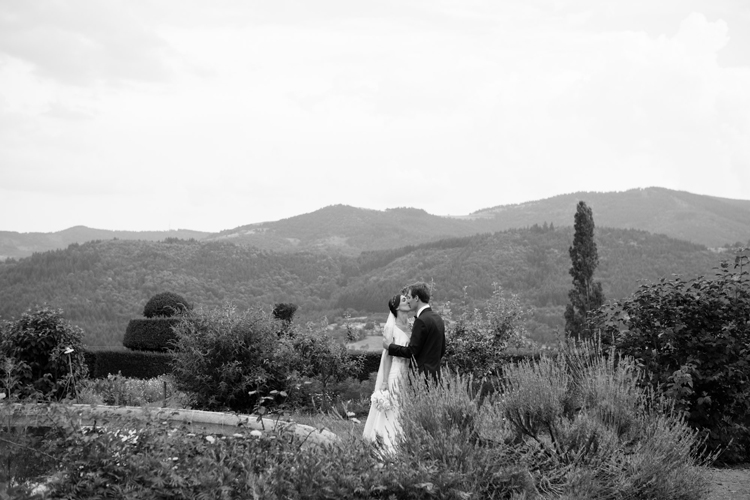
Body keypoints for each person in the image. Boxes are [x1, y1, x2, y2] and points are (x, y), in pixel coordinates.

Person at [362, 293, 412, 450]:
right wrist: (384, 381)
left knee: (403, 406)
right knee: (393, 406)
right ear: (396, 307)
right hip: (395, 372)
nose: (408, 301)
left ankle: (402, 439)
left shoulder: (411, 325)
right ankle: (387, 443)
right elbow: (387, 356)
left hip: (407, 372)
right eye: (404, 300)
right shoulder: (391, 327)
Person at [383, 282, 445, 380]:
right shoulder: (438, 318)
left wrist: (390, 347)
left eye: (409, 298)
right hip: (435, 374)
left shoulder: (421, 320)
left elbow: (412, 351)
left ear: (416, 298)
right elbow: (442, 349)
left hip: (422, 376)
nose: (408, 301)